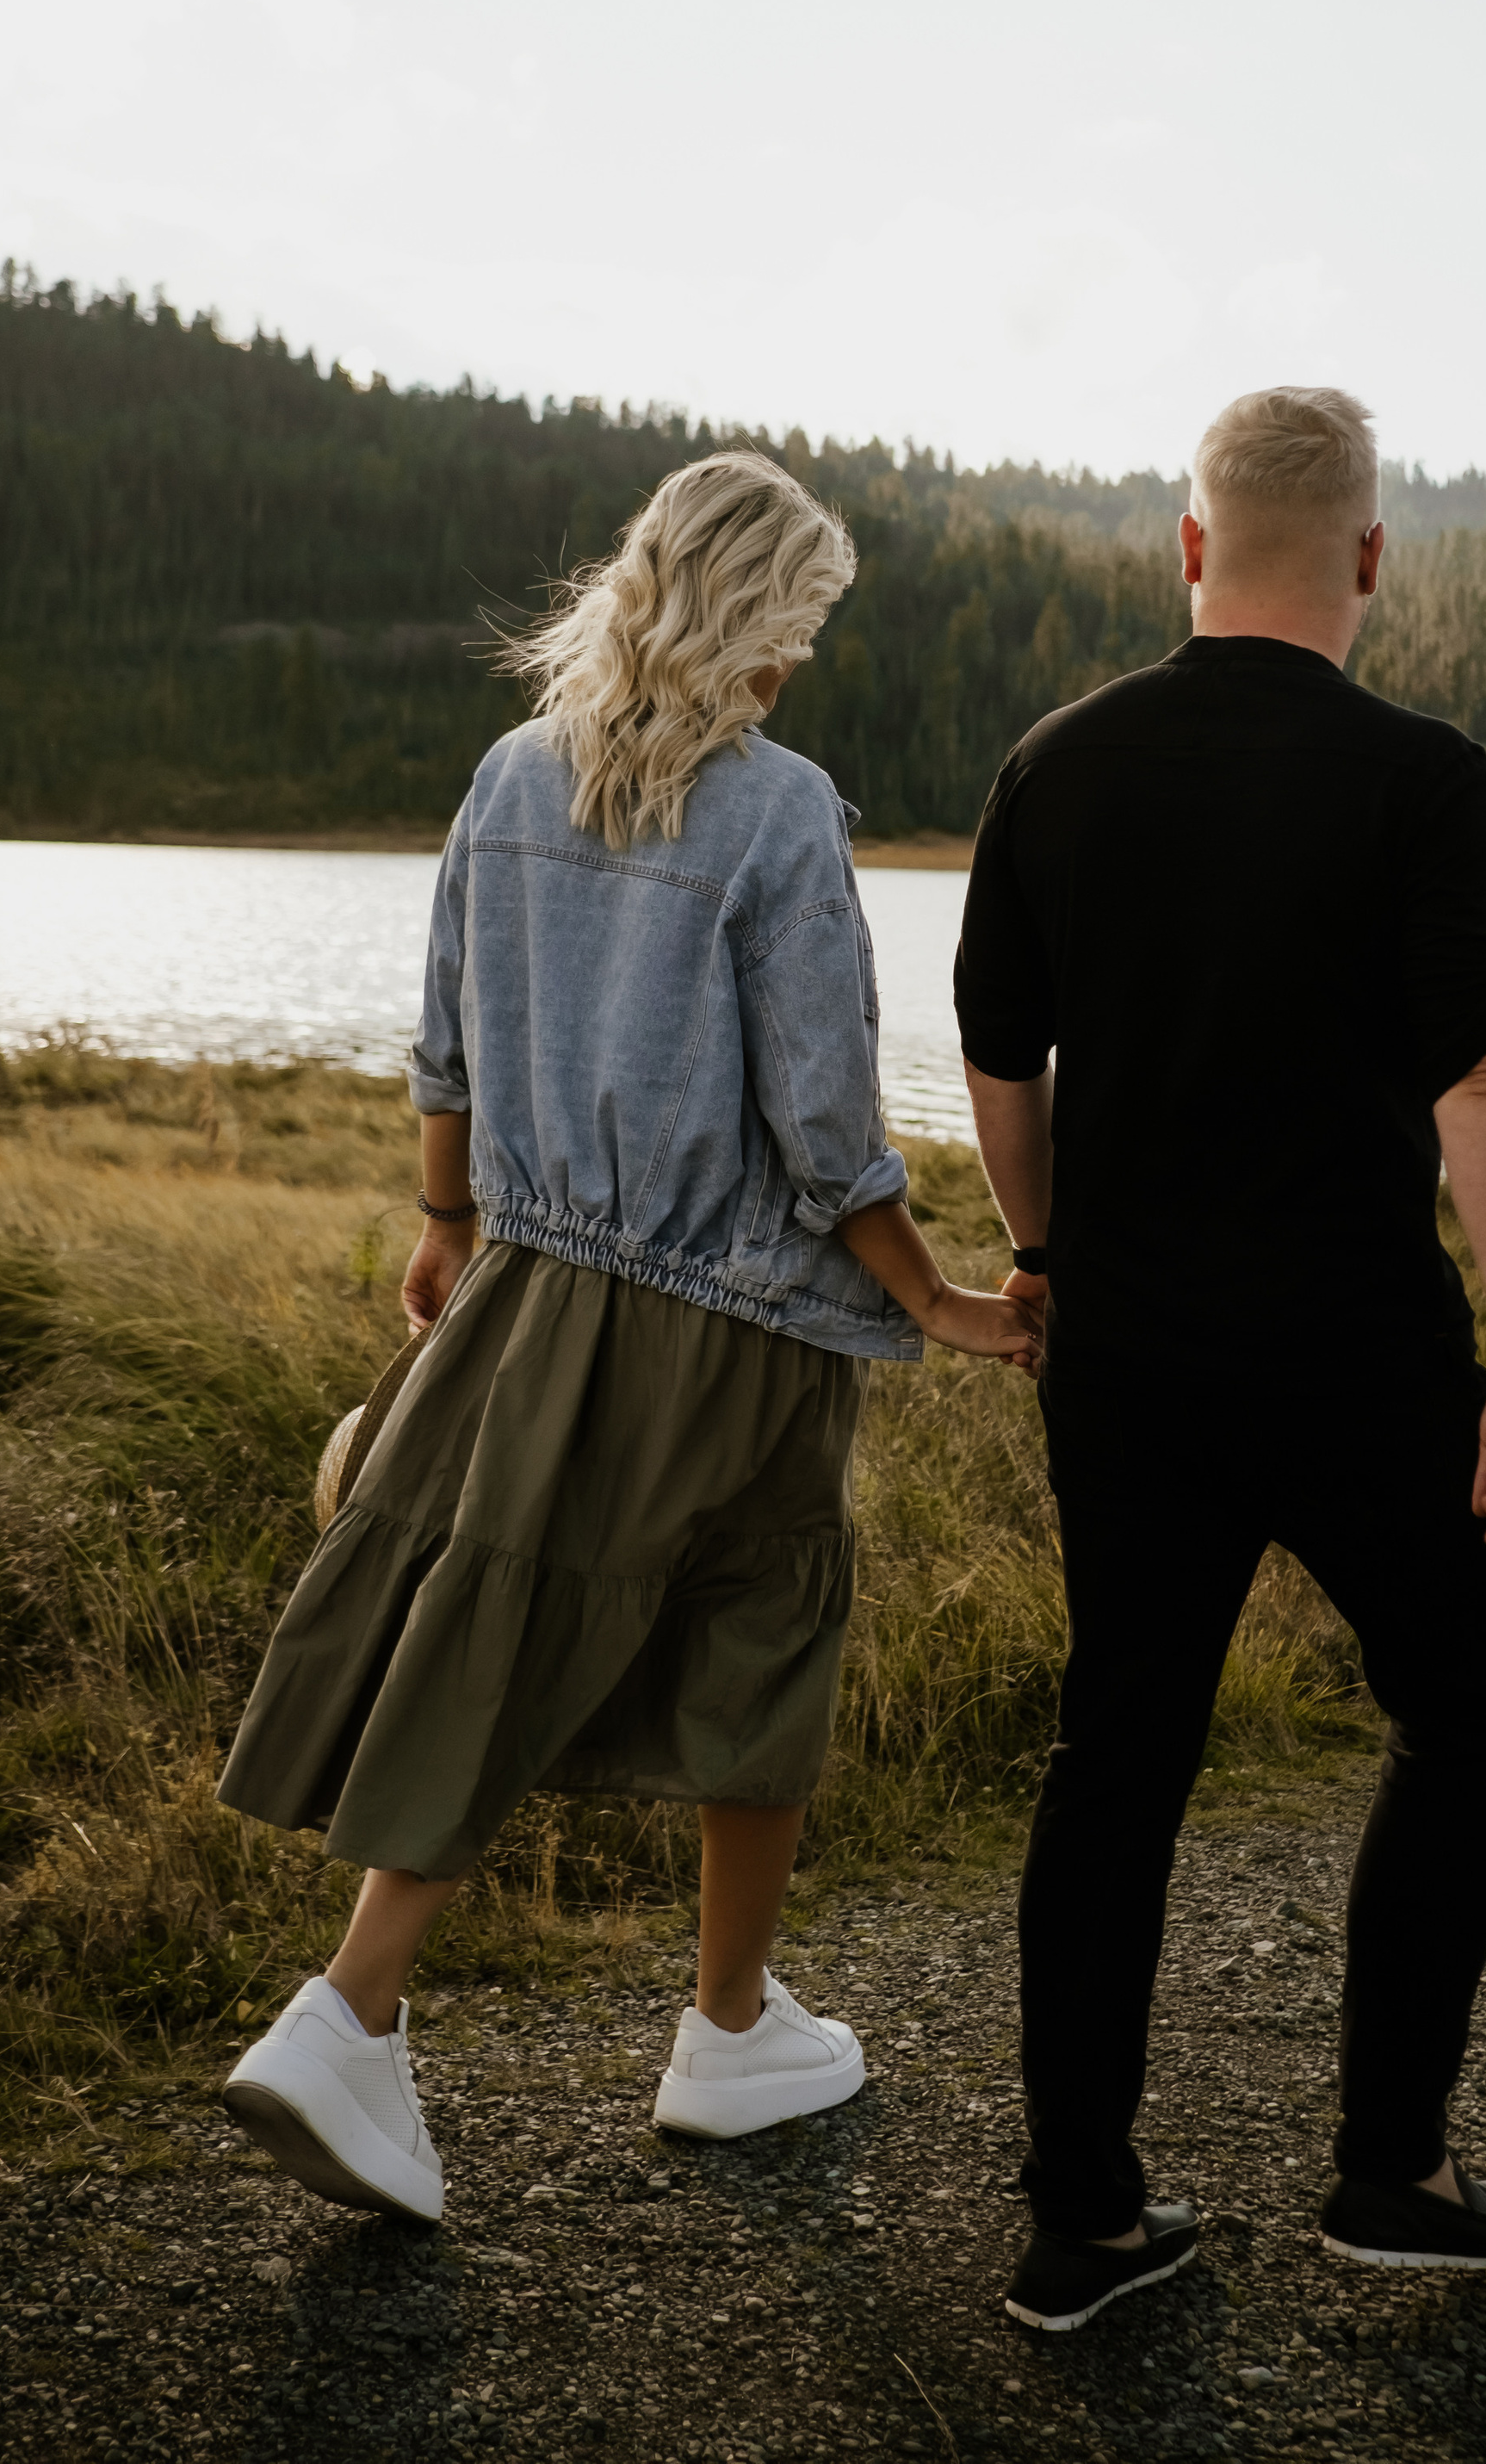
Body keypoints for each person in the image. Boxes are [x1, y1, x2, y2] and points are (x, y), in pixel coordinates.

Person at [217, 450, 1039, 2221]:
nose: (803, 661)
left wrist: (450, 1234)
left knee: (583, 1604)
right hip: (725, 1322)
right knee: (700, 1626)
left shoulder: (510, 776)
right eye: (802, 622)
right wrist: (934, 1299)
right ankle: (353, 2017)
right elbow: (822, 1125)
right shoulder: (777, 810)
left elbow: (439, 1044)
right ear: (757, 614)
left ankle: (725, 2030)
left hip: (533, 1280)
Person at [952, 384, 1486, 2334]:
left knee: (1114, 1763)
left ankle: (1081, 2226)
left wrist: (1043, 1255)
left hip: (1128, 1366)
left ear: (1190, 547)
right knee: (1456, 1716)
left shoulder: (1055, 765)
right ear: (1369, 556)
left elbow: (996, 1063)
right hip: (1362, 1360)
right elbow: (1482, 1069)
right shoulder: (1420, 775)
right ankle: (1389, 2173)